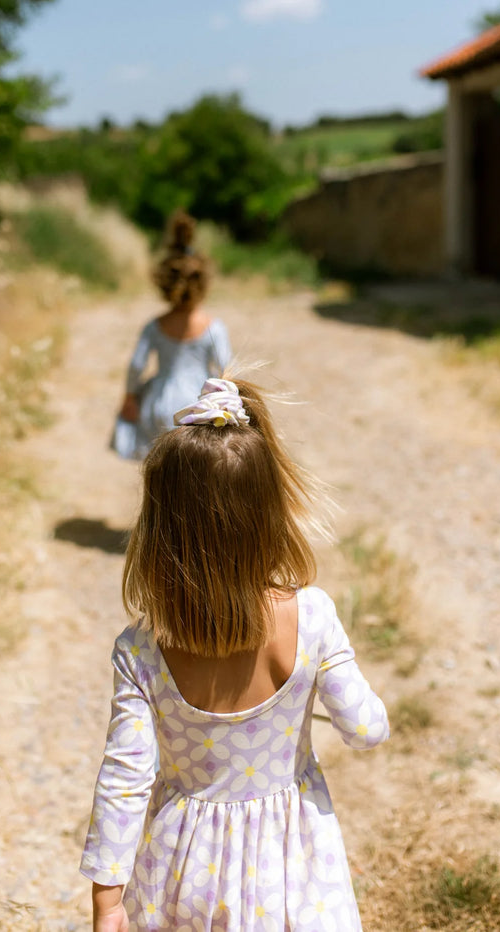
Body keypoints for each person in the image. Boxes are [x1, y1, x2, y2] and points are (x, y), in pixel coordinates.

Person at [82, 377, 390, 931]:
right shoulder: (312, 616)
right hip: (291, 866)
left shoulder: (142, 649)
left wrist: (107, 903)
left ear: (161, 528)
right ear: (268, 510)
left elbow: (124, 779)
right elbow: (366, 729)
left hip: (179, 869)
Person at [111, 210, 232, 460]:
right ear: (203, 285)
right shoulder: (214, 328)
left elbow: (136, 365)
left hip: (159, 400)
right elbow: (225, 367)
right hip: (198, 404)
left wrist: (130, 397)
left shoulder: (155, 326)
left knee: (159, 462)